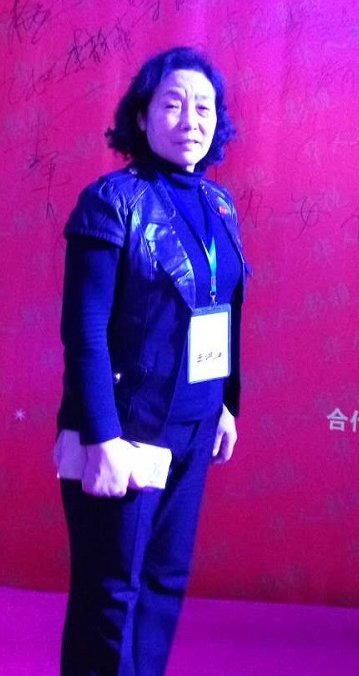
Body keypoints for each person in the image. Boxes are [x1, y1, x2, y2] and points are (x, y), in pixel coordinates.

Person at [56, 46, 249, 676]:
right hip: (128, 426)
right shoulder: (110, 201)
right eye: (173, 104)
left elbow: (218, 309)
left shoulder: (220, 207)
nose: (191, 119)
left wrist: (223, 404)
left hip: (194, 424)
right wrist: (102, 438)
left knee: (164, 586)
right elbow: (84, 334)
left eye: (204, 107)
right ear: (142, 116)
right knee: (112, 594)